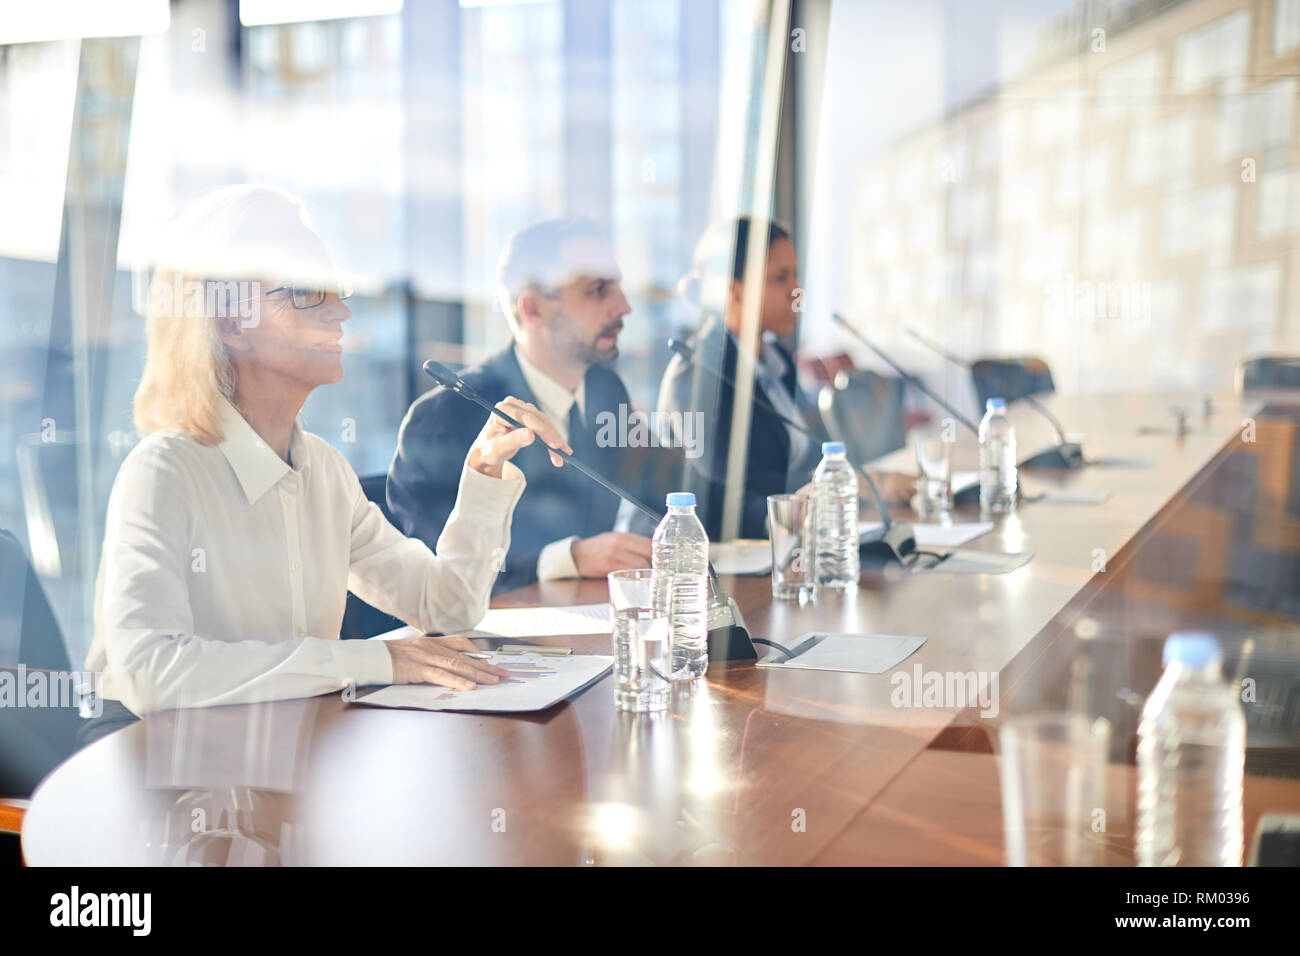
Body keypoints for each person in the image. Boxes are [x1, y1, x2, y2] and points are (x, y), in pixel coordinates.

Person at [86, 185, 571, 718]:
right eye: (306, 292)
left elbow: (445, 607)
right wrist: (374, 660)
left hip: (283, 759)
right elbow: (149, 671)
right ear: (229, 325)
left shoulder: (322, 471)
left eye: (336, 289)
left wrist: (483, 471)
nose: (340, 311)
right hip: (153, 777)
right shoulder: (165, 471)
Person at [388, 218, 679, 594]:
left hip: (592, 624)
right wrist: (567, 559)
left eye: (618, 287)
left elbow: (654, 490)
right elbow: (437, 573)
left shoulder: (605, 388)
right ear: (533, 309)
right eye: (597, 290)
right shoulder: (446, 416)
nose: (623, 306)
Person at [658, 217, 912, 539]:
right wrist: (801, 503)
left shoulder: (778, 364)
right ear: (733, 291)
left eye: (795, 276)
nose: (797, 292)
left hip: (792, 543)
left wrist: (865, 481)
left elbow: (802, 461)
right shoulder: (696, 374)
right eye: (780, 278)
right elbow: (719, 499)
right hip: (727, 562)